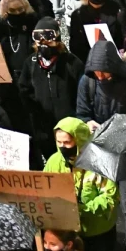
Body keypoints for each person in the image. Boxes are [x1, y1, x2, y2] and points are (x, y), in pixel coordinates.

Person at [44, 117, 119, 251]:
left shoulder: (100, 162)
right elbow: (45, 188)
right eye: (59, 142)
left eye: (67, 142)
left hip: (97, 232)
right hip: (68, 233)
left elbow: (110, 198)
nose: (62, 147)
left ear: (80, 140)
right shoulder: (54, 161)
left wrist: (81, 209)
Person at [22, 17, 84, 152]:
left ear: (57, 38)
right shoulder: (30, 63)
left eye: (48, 36)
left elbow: (83, 94)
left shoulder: (72, 63)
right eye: (38, 36)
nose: (43, 42)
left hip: (69, 127)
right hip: (44, 128)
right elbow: (24, 90)